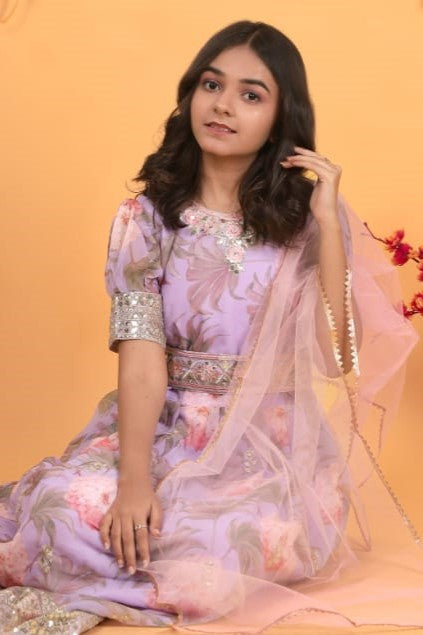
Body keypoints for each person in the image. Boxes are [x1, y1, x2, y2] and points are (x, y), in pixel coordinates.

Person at [0, 20, 422, 635]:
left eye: (251, 95)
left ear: (280, 119)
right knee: (62, 507)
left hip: (267, 450)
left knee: (220, 545)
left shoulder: (305, 223)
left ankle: (132, 576)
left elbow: (340, 357)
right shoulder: (145, 218)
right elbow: (141, 359)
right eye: (211, 85)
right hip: (162, 428)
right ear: (190, 94)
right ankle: (115, 559)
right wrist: (135, 483)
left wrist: (329, 225)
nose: (223, 105)